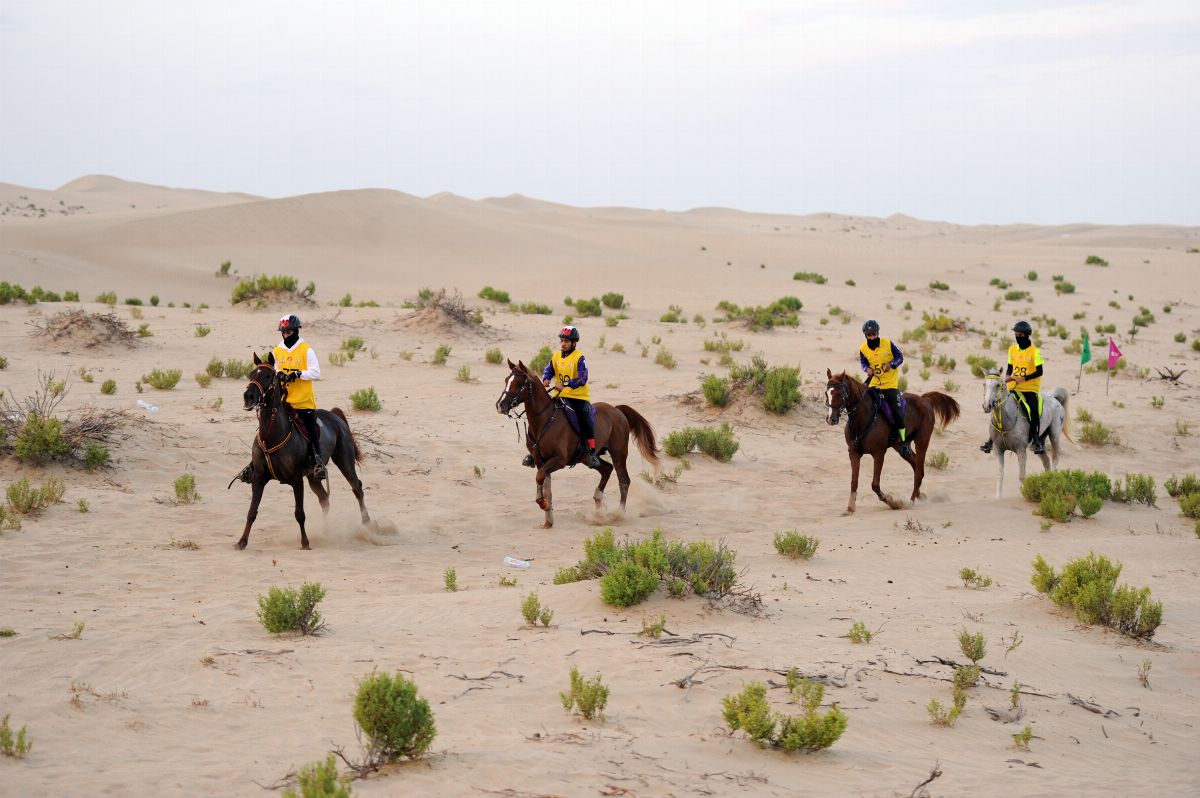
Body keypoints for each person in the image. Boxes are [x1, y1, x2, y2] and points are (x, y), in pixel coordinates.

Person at [237, 314, 327, 482]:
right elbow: (275, 368)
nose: (286, 334)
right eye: (284, 332)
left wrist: (297, 374)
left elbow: (316, 372)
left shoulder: (306, 349)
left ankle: (318, 462)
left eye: (289, 331)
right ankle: (253, 465)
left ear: (296, 330)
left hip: (303, 401)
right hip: (283, 400)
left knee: (311, 427)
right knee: (267, 427)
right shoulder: (277, 350)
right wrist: (280, 374)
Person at [522, 325, 602, 469]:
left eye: (566, 341)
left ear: (574, 343)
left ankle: (591, 452)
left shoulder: (579, 358)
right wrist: (546, 378)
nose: (563, 344)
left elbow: (583, 378)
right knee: (540, 416)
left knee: (585, 417)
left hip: (578, 397)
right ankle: (533, 452)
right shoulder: (556, 356)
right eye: (562, 341)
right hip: (560, 396)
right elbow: (549, 369)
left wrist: (565, 383)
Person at [982, 320, 1045, 455]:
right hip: (1013, 385)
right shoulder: (1012, 349)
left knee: (1033, 410)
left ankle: (1036, 440)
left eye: (1020, 335)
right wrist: (1008, 376)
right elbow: (1010, 367)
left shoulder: (1035, 352)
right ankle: (991, 440)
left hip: (1029, 387)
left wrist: (1024, 378)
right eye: (1016, 334)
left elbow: (1040, 371)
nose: (1017, 337)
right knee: (997, 404)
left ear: (1027, 335)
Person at [858, 319, 911, 457]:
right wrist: (866, 368)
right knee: (861, 403)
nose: (872, 337)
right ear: (865, 335)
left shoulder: (888, 343)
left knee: (897, 412)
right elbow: (863, 361)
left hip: (889, 383)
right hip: (874, 382)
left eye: (874, 334)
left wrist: (892, 365)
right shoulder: (863, 348)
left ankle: (904, 442)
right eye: (869, 335)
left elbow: (900, 357)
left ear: (878, 333)